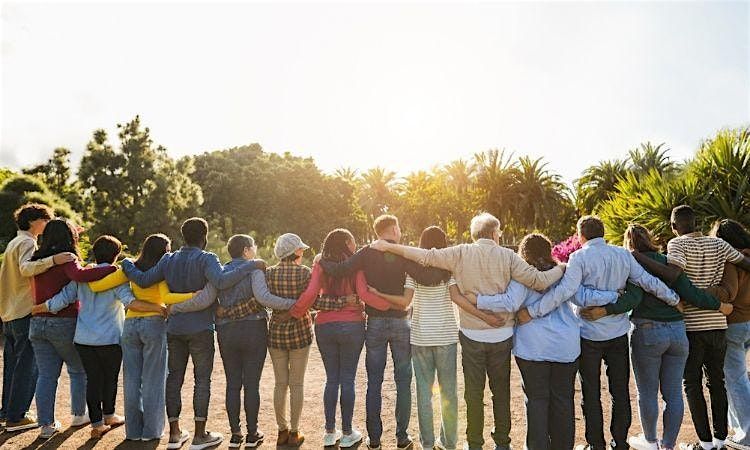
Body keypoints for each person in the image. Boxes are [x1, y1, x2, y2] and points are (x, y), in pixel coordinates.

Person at [369, 212, 565, 450]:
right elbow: (539, 281)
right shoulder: (508, 256)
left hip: (467, 335)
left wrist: (390, 247)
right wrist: (564, 267)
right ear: (494, 233)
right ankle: (500, 443)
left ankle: (469, 444)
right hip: (499, 335)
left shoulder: (460, 253)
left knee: (470, 394)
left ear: (475, 234)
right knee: (499, 393)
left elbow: (426, 256)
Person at [509, 216, 679, 450]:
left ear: (581, 235)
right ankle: (620, 443)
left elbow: (568, 293)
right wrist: (673, 298)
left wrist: (533, 311)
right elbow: (647, 281)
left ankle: (595, 444)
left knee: (591, 393)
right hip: (618, 333)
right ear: (603, 232)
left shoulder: (578, 258)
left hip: (588, 335)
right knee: (620, 391)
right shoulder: (622, 255)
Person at [577, 224, 732, 450]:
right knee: (673, 394)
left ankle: (651, 442)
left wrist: (605, 310)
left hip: (648, 332)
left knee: (647, 392)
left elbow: (633, 298)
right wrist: (718, 305)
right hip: (678, 333)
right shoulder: (668, 262)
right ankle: (668, 444)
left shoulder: (633, 264)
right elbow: (690, 292)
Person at [120, 217, 262, 450]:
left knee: (174, 379)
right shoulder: (207, 258)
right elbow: (222, 281)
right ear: (204, 236)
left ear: (183, 236)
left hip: (174, 328)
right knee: (201, 380)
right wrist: (252, 264)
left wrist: (126, 263)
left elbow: (144, 280)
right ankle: (199, 435)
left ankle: (175, 435)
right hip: (201, 329)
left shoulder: (168, 258)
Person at [318, 215, 449, 450]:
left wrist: (321, 262)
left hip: (375, 323)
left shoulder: (366, 253)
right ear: (394, 229)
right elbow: (425, 276)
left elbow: (340, 270)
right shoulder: (401, 252)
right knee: (403, 380)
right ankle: (402, 437)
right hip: (401, 322)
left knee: (374, 382)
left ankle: (375, 439)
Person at [168, 234, 301, 449]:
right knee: (251, 384)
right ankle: (252, 434)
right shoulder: (254, 268)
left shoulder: (219, 271)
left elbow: (204, 300)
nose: (255, 249)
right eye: (254, 246)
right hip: (253, 330)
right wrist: (295, 304)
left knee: (232, 383)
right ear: (247, 250)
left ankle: (235, 434)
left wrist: (175, 308)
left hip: (226, 331)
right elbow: (263, 298)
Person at [33, 235, 164, 439]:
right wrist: (159, 308)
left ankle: (96, 423)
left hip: (83, 339)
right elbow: (130, 302)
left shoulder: (82, 277)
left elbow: (62, 299)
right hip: (110, 339)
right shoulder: (116, 278)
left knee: (93, 380)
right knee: (109, 379)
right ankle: (109, 415)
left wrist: (36, 309)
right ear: (116, 255)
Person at [287, 228, 401, 448]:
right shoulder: (355, 265)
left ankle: (329, 432)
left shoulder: (320, 264)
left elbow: (311, 294)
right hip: (352, 326)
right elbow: (365, 295)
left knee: (332, 379)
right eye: (353, 241)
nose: (355, 244)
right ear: (347, 242)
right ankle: (348, 432)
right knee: (347, 379)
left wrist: (295, 311)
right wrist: (392, 305)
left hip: (325, 327)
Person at [472, 233, 584, 450]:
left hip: (532, 347)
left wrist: (477, 299)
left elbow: (509, 302)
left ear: (523, 253)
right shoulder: (563, 272)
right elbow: (579, 297)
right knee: (563, 400)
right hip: (565, 346)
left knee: (536, 401)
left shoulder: (522, 274)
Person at [86, 233, 195, 442]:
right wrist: (193, 295)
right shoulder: (162, 272)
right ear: (164, 251)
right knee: (154, 379)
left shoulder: (130, 269)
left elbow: (96, 286)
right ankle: (152, 432)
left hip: (130, 326)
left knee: (132, 379)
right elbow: (167, 298)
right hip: (154, 324)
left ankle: (133, 432)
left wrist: (91, 270)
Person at [665, 206, 750, 450]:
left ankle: (709, 443)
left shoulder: (677, 245)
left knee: (695, 383)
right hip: (719, 324)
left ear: (674, 226)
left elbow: (676, 277)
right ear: (697, 222)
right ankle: (723, 438)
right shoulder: (720, 247)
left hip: (696, 325)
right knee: (719, 381)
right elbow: (743, 261)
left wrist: (690, 293)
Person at [369, 226, 460, 450]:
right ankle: (448, 443)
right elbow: (457, 297)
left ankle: (427, 444)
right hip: (446, 337)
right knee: (449, 393)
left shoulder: (412, 271)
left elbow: (404, 302)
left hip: (420, 337)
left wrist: (378, 293)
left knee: (423, 394)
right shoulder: (449, 269)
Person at [28, 220, 117, 438]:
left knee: (46, 376)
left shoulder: (39, 259)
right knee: (78, 371)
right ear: (70, 237)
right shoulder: (67, 257)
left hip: (38, 321)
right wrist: (113, 269)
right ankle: (79, 414)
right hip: (62, 321)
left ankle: (46, 426)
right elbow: (80, 276)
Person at [263, 233, 349, 448]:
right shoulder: (305, 273)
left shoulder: (269, 274)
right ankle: (294, 431)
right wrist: (341, 302)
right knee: (297, 383)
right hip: (300, 333)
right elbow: (315, 301)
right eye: (301, 249)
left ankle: (281, 431)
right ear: (297, 252)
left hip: (276, 334)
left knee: (280, 383)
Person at [0, 204, 75, 432]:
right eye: (47, 220)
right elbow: (26, 268)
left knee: (12, 365)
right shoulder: (27, 242)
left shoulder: (14, 242)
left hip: (10, 313)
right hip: (24, 311)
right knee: (27, 367)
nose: (49, 225)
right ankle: (17, 416)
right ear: (35, 221)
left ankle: (8, 412)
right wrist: (55, 260)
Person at [710, 219, 750, 450]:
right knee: (738, 378)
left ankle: (746, 434)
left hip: (735, 325)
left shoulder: (731, 259)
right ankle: (737, 429)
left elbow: (728, 293)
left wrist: (699, 289)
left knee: (735, 380)